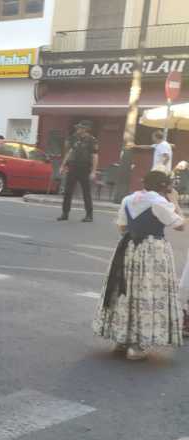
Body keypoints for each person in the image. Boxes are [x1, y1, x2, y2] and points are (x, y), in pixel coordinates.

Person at [95, 170, 185, 360]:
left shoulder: (128, 199)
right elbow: (179, 224)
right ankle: (137, 345)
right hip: (152, 250)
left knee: (125, 292)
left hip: (128, 249)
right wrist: (175, 202)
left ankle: (121, 339)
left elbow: (121, 226)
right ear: (164, 187)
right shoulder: (159, 202)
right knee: (147, 293)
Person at [58, 120, 98, 223]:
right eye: (77, 128)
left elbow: (95, 156)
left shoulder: (92, 140)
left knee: (86, 192)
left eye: (79, 128)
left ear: (85, 129)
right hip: (72, 167)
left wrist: (93, 171)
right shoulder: (73, 138)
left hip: (84, 168)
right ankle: (65, 213)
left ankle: (89, 215)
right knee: (67, 192)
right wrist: (63, 166)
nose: (77, 129)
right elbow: (69, 152)